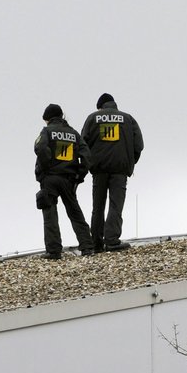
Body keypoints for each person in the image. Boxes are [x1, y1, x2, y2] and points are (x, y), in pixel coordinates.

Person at [81, 92, 143, 252]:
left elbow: (83, 144)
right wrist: (129, 163)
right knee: (116, 204)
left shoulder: (92, 118)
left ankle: (96, 242)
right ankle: (112, 240)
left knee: (98, 205)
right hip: (119, 170)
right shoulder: (128, 119)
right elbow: (139, 145)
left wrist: (89, 165)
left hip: (99, 170)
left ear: (100, 107)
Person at [34, 104, 93, 260]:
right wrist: (79, 175)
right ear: (62, 116)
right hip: (68, 178)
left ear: (47, 119)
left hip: (50, 178)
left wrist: (46, 168)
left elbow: (40, 148)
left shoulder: (46, 131)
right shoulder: (73, 133)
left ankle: (54, 251)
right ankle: (87, 246)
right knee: (75, 212)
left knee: (50, 214)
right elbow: (86, 156)